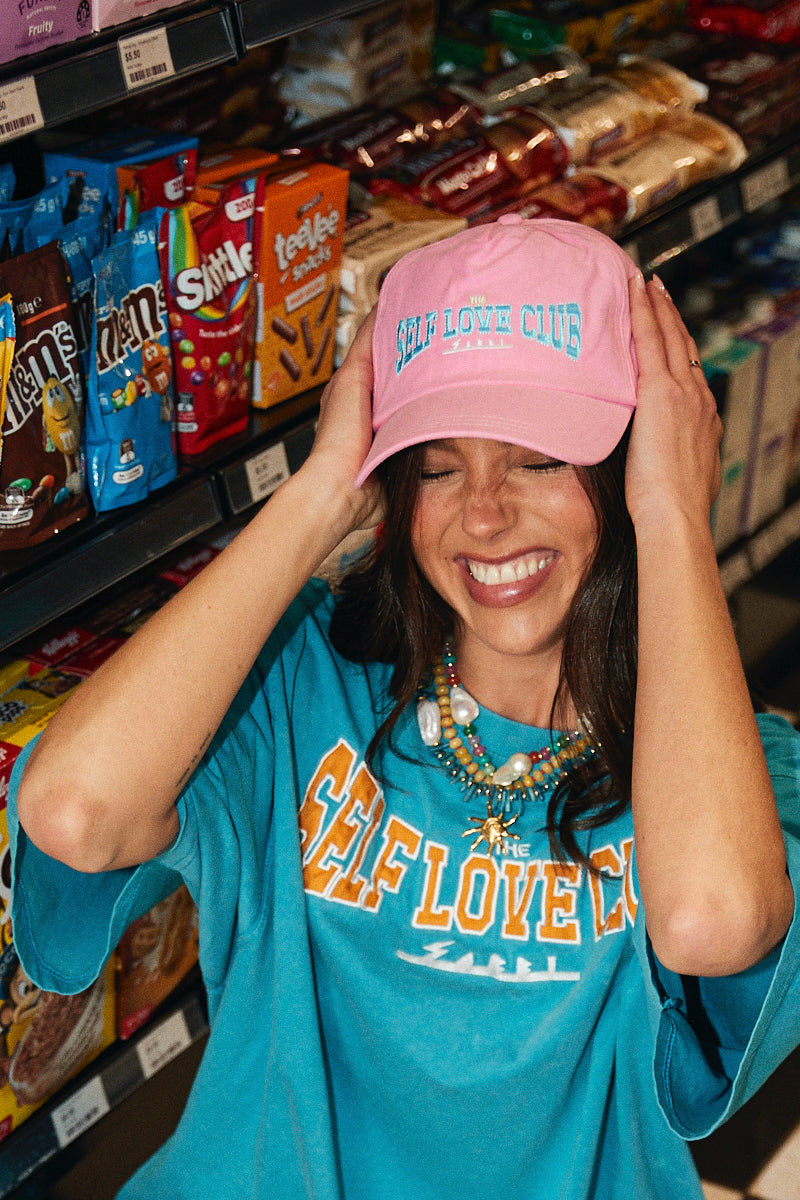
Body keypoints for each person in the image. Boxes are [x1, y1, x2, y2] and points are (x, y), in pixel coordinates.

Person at [9, 215, 800, 1200]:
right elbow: (74, 813)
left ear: (634, 460)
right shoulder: (300, 680)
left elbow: (711, 924)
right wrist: (318, 494)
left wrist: (676, 516)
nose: (483, 514)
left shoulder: (727, 767)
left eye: (538, 458)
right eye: (436, 466)